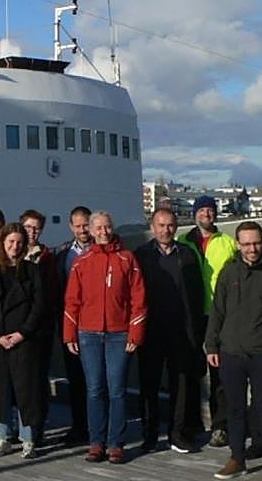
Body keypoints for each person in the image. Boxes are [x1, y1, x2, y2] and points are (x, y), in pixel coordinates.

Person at [205, 221, 262, 479]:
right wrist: (212, 344)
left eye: (256, 243)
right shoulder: (228, 272)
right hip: (231, 352)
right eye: (246, 244)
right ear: (238, 244)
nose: (252, 248)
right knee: (234, 408)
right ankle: (237, 458)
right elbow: (217, 311)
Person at [64, 211, 146, 464]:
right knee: (94, 389)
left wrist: (136, 331)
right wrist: (69, 333)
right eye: (98, 227)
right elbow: (72, 300)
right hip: (88, 334)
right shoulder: (83, 261)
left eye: (107, 227)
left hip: (119, 334)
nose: (103, 232)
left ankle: (115, 443)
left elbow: (138, 299)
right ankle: (96, 441)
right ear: (90, 230)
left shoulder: (127, 258)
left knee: (117, 390)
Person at [134, 208, 206, 454]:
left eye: (171, 225)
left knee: (181, 385)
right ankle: (150, 435)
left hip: (181, 331)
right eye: (161, 225)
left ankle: (178, 434)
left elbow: (197, 295)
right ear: (152, 227)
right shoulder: (141, 255)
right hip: (151, 331)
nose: (166, 230)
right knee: (149, 385)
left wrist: (196, 331)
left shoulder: (186, 254)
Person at [0, 223, 46, 458]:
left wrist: (22, 333)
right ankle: (2, 436)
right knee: (0, 390)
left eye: (18, 242)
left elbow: (39, 306)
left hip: (24, 341)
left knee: (26, 391)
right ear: (2, 244)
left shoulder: (32, 271)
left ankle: (28, 439)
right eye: (10, 242)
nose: (14, 247)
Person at [179, 195, 239, 447]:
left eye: (210, 210)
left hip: (220, 314)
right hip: (191, 314)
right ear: (195, 214)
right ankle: (192, 424)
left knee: (220, 373)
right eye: (201, 210)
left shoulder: (228, 242)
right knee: (192, 371)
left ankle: (220, 425)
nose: (206, 214)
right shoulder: (182, 242)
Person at [20, 209, 61, 448]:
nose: (32, 232)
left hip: (40, 327)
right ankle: (20, 427)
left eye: (36, 228)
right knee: (20, 380)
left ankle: (37, 427)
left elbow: (51, 291)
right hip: (16, 327)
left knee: (38, 379)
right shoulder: (12, 253)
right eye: (28, 227)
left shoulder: (46, 257)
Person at [55, 206, 94, 445]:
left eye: (85, 225)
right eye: (78, 226)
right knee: (76, 379)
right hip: (72, 325)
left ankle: (98, 428)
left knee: (97, 381)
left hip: (97, 326)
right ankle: (79, 426)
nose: (82, 230)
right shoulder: (63, 255)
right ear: (71, 226)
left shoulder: (102, 250)